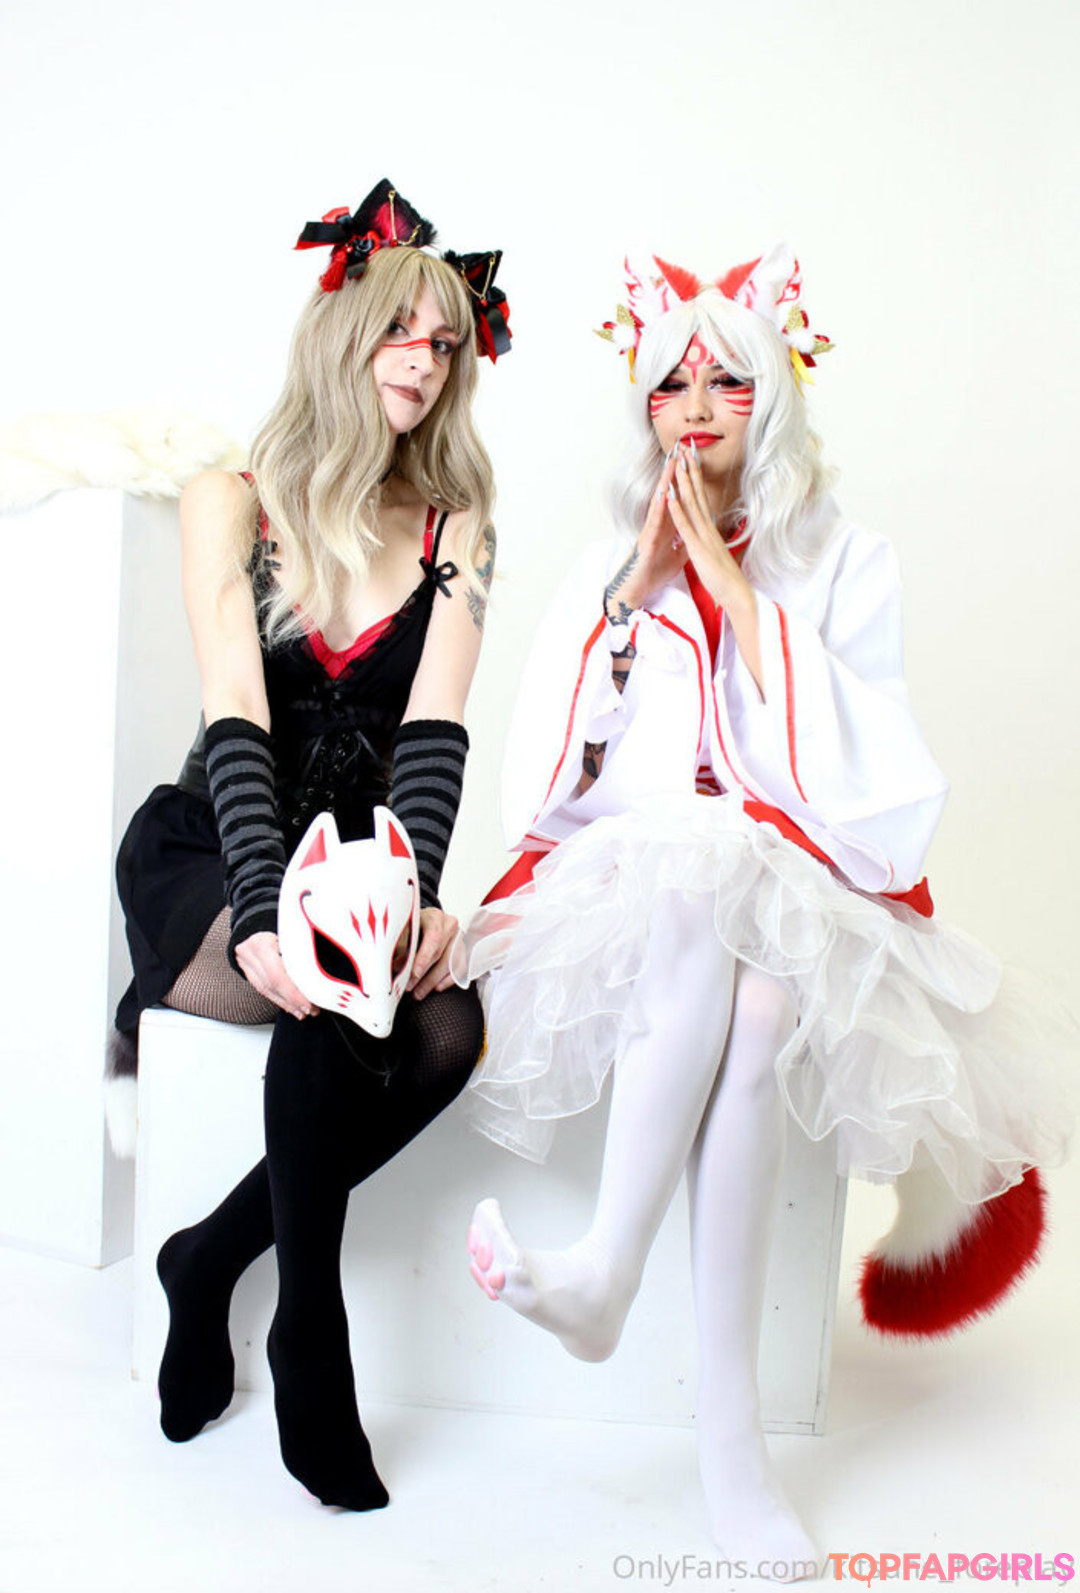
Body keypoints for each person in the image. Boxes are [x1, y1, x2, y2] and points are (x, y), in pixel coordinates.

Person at [455, 248, 1074, 1573]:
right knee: (697, 883)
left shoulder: (849, 563)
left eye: (725, 380)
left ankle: (661, 1350)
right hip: (634, 901)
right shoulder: (609, 566)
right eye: (671, 382)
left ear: (773, 397)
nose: (694, 407)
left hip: (793, 898)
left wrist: (742, 605)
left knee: (768, 997)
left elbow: (884, 788)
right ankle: (706, 1413)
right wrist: (633, 597)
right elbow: (540, 788)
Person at [110, 179, 509, 1511]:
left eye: (445, 342)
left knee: (448, 1026)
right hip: (218, 846)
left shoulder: (457, 524)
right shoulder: (230, 499)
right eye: (400, 330)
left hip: (361, 861)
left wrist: (419, 898)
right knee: (331, 986)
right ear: (344, 332)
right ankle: (312, 1329)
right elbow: (235, 708)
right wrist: (265, 906)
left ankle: (211, 1260)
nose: (424, 361)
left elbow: (437, 731)